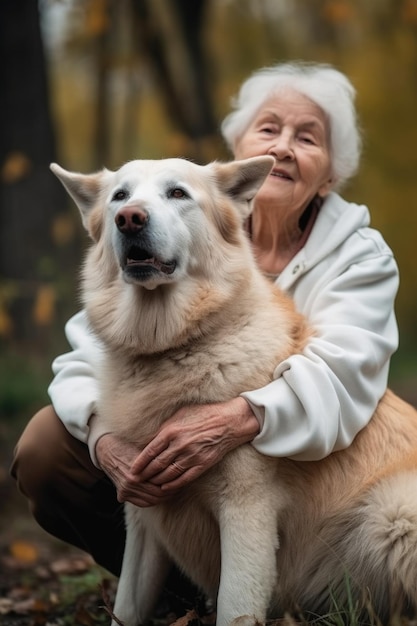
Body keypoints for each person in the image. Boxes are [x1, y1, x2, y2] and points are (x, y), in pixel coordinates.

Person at [11, 61, 399, 595]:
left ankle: (248, 587)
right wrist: (106, 441)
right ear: (239, 149)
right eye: (269, 128)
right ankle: (186, 592)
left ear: (330, 172)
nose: (283, 147)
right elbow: (88, 359)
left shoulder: (358, 254)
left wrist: (238, 417)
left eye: (307, 137)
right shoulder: (165, 239)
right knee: (47, 446)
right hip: (187, 498)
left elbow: (344, 372)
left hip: (319, 484)